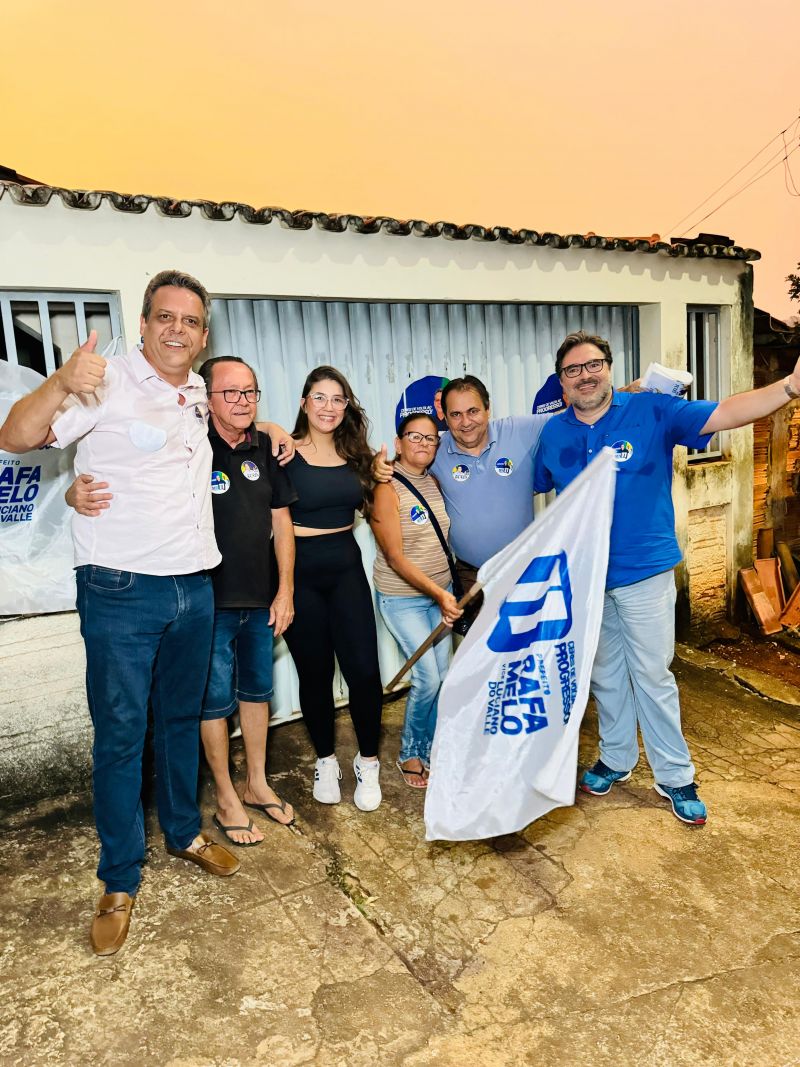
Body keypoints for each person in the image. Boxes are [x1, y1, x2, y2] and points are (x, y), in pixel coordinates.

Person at [0, 270, 240, 957]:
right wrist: (59, 380)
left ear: (202, 335)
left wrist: (277, 430)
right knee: (121, 736)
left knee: (180, 721)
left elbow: (239, 430)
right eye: (165, 316)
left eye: (190, 321)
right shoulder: (104, 382)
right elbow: (14, 436)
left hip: (194, 584)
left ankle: (183, 832)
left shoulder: (198, 392)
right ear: (143, 323)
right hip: (120, 588)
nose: (176, 329)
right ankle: (118, 878)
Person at [534, 330, 800, 826]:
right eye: (572, 370)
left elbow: (726, 412)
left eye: (592, 365)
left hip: (645, 572)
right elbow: (533, 488)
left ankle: (675, 775)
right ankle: (616, 758)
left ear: (608, 368)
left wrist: (788, 387)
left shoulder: (651, 410)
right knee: (605, 674)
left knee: (652, 675)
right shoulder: (553, 433)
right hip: (588, 577)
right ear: (562, 381)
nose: (584, 376)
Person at [68, 355, 298, 846]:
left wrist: (285, 591)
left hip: (258, 600)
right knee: (208, 704)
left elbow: (282, 523)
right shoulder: (191, 439)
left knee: (257, 693)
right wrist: (74, 492)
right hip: (204, 599)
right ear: (204, 396)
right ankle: (225, 797)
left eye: (250, 392)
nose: (242, 401)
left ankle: (256, 783)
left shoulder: (264, 446)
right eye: (229, 392)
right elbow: (126, 466)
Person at [282, 366, 384, 810]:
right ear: (304, 403)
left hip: (345, 568)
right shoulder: (283, 451)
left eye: (337, 399)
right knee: (315, 674)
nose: (328, 407)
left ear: (346, 406)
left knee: (364, 672)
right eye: (319, 397)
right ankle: (325, 760)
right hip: (299, 571)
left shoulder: (357, 455)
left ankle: (368, 761)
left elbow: (378, 501)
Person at [375, 374, 551, 625]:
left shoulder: (520, 430)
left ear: (488, 409)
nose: (466, 422)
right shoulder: (434, 448)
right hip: (472, 577)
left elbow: (574, 416)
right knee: (481, 646)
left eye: (473, 411)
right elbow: (401, 467)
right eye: (456, 414)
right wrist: (375, 468)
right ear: (445, 418)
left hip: (524, 570)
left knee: (528, 639)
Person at [370, 413, 462, 787]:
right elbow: (394, 557)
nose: (423, 444)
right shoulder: (385, 487)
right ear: (398, 442)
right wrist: (441, 594)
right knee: (427, 679)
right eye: (414, 436)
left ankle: (432, 747)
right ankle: (410, 753)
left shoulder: (434, 481)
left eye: (430, 438)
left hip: (440, 595)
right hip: (404, 599)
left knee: (442, 678)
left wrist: (445, 591)